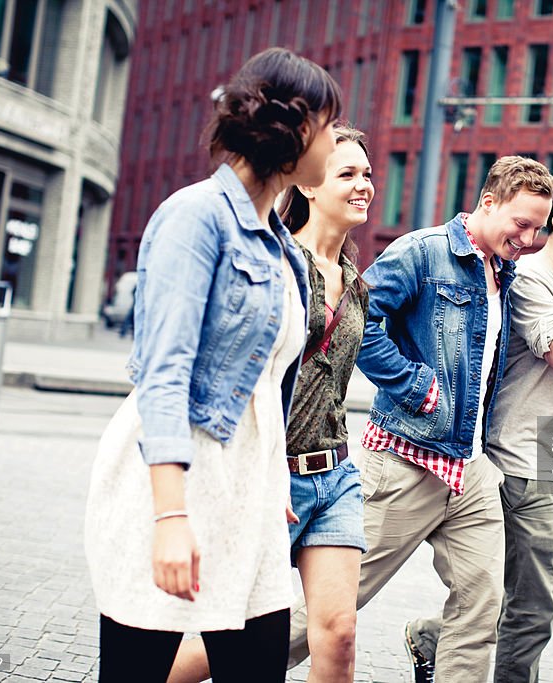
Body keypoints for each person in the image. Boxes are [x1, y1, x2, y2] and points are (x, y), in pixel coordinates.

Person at [84, 47, 341, 683]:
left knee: (257, 667)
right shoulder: (194, 217)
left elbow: (272, 380)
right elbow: (162, 375)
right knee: (137, 670)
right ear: (297, 127)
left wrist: (273, 483)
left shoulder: (281, 245)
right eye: (331, 126)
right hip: (174, 479)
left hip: (249, 494)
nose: (337, 141)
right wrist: (170, 517)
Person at [285, 156, 553, 682]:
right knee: (326, 613)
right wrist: (415, 384)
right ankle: (221, 663)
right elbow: (356, 321)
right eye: (520, 223)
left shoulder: (504, 269)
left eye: (538, 227)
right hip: (404, 463)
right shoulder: (424, 252)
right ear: (488, 202)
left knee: (482, 606)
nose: (528, 236)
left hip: (469, 469)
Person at [404, 169, 553, 682]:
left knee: (545, 596)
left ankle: (434, 637)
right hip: (526, 467)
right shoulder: (533, 280)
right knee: (530, 612)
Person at [165, 125, 374, 683]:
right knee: (230, 634)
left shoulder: (356, 282)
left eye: (368, 174)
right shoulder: (279, 263)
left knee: (339, 634)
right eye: (347, 173)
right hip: (270, 477)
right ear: (308, 186)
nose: (364, 186)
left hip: (335, 474)